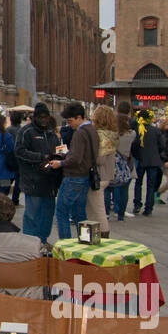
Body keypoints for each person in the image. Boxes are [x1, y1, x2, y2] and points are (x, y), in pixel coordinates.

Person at [15, 103, 60, 244]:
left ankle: (43, 240)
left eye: (46, 117)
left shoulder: (51, 133)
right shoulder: (26, 131)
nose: (44, 120)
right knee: (32, 214)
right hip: (33, 180)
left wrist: (59, 157)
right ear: (35, 117)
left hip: (49, 180)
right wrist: (40, 157)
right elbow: (19, 151)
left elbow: (57, 150)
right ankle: (30, 242)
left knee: (47, 214)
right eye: (40, 117)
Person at [54, 103, 97, 242]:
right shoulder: (92, 129)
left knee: (61, 212)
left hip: (73, 176)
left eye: (70, 121)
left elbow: (75, 158)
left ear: (79, 117)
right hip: (85, 176)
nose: (69, 124)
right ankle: (85, 242)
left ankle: (66, 245)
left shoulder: (79, 133)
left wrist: (60, 162)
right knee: (80, 214)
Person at [90, 105, 119, 236]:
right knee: (96, 207)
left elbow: (100, 160)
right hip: (106, 175)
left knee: (97, 209)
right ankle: (97, 233)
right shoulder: (112, 134)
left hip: (99, 175)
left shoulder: (101, 135)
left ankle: (103, 234)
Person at [131, 109, 164, 217]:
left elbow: (134, 147)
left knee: (138, 183)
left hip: (140, 160)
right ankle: (149, 208)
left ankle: (137, 204)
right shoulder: (156, 130)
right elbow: (162, 146)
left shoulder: (136, 130)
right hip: (153, 161)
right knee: (151, 185)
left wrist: (136, 156)